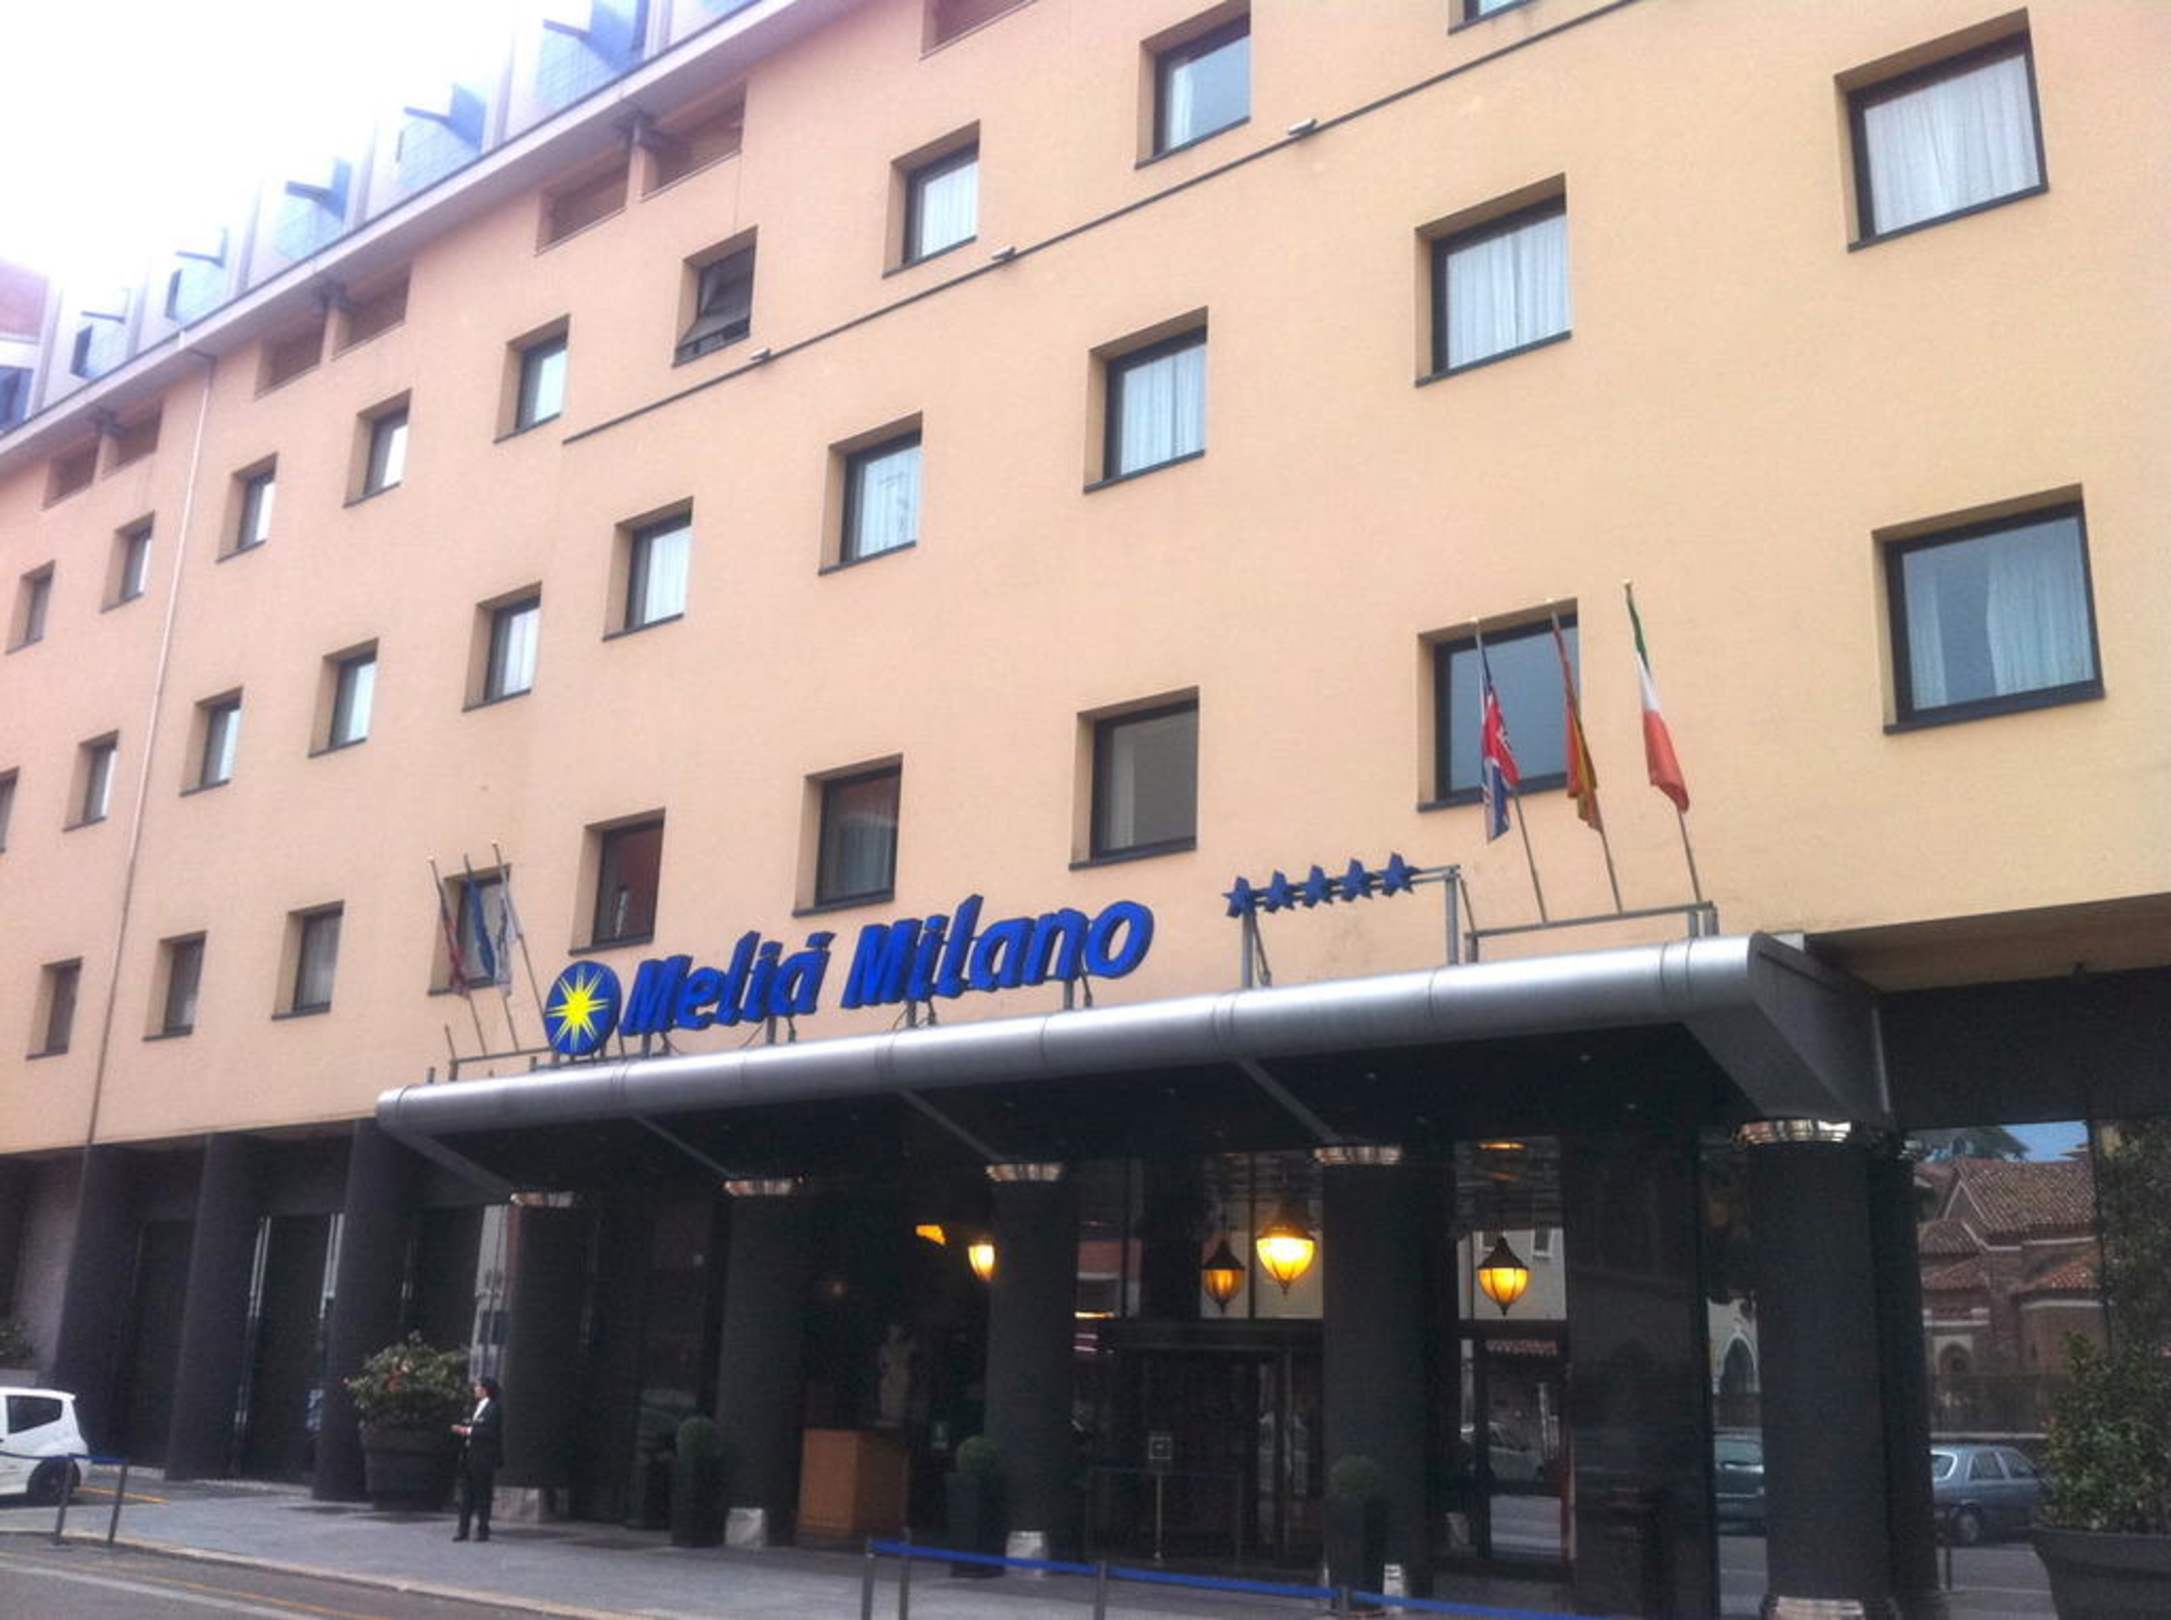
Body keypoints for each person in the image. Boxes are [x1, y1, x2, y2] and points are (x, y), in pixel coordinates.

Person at [451, 1377, 502, 1542]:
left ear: (485, 1389)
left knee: (482, 1494)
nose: (475, 1389)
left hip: (483, 1457)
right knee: (466, 1495)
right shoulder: (474, 1407)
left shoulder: (493, 1408)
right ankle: (463, 1529)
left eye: (478, 1386)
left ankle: (483, 1529)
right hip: (469, 1455)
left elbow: (490, 1432)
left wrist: (467, 1431)